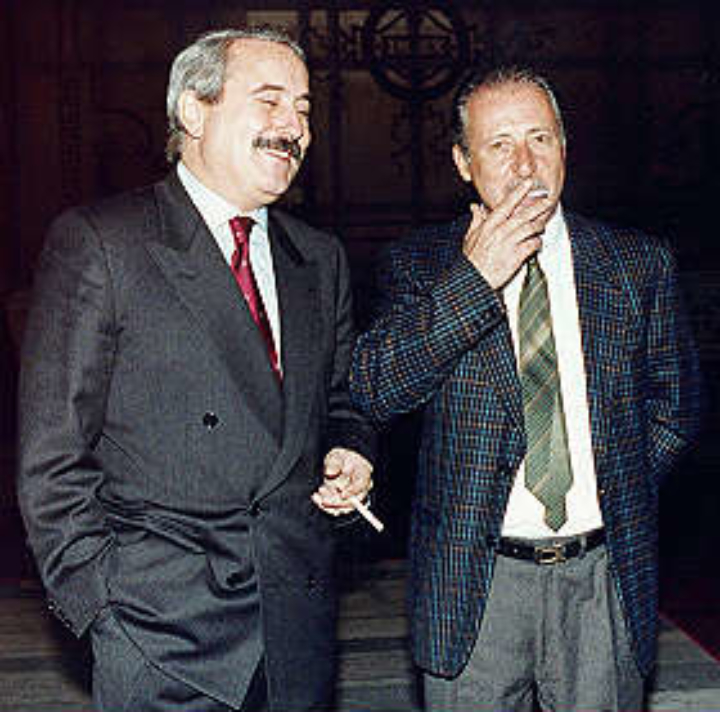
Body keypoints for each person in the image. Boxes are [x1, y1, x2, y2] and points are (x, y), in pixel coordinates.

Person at [17, 26, 377, 712]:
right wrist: (102, 607)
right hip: (162, 637)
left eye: (303, 109)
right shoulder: (104, 244)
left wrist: (350, 449)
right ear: (193, 110)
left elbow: (338, 402)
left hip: (297, 630)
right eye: (269, 101)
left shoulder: (319, 258)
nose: (294, 127)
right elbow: (51, 456)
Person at [349, 65, 702, 711]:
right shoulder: (420, 265)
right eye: (499, 144)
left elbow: (675, 409)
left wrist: (612, 486)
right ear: (463, 163)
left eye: (539, 138)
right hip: (474, 582)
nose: (524, 164)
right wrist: (474, 278)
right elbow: (375, 388)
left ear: (564, 147)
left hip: (601, 578)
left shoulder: (635, 263)